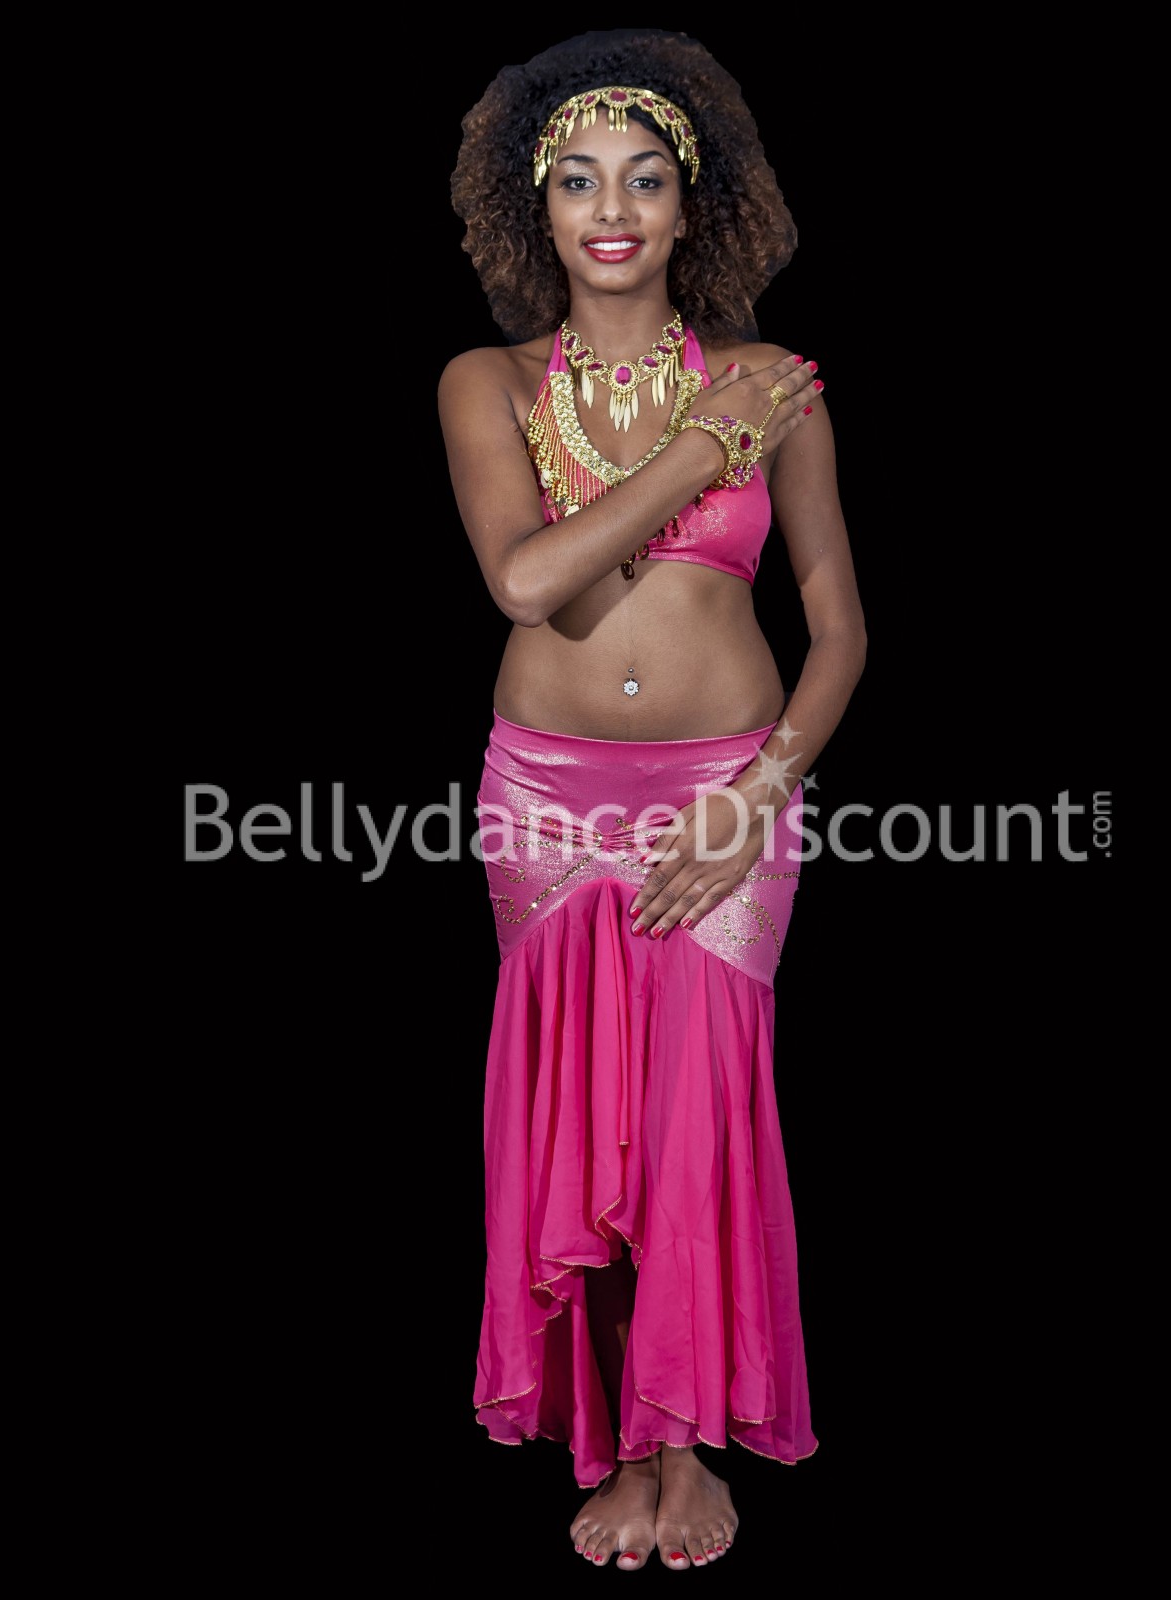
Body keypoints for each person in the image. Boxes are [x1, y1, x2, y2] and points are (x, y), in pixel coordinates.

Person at [438, 27, 868, 1570]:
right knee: (580, 1126)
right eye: (575, 180)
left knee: (693, 1119)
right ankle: (613, 1445)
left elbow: (839, 628)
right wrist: (700, 451)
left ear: (694, 205)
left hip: (724, 791)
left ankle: (681, 1448)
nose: (609, 208)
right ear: (535, 208)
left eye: (642, 178)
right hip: (546, 797)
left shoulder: (773, 385)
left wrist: (759, 795)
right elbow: (528, 581)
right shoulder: (488, 381)